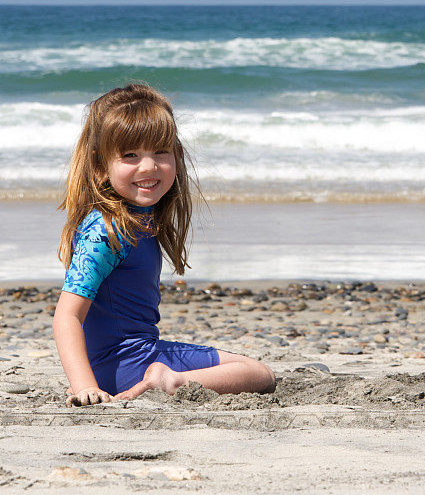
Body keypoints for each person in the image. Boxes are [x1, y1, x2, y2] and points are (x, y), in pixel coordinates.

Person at [53, 83, 276, 407]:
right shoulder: (108, 229)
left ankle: (165, 376)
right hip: (123, 367)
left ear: (176, 156)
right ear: (100, 167)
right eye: (130, 155)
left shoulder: (138, 216)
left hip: (130, 358)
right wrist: (85, 387)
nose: (149, 165)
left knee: (249, 370)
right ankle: (171, 381)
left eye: (160, 152)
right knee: (258, 374)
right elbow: (66, 316)